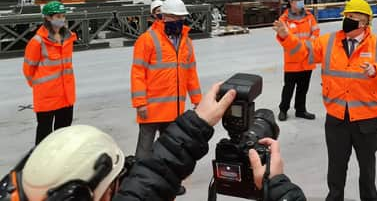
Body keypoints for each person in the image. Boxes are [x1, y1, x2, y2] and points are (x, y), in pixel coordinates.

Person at [1, 83, 306, 201]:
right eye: (117, 183)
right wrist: (275, 185)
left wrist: (197, 122)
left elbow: (147, 183)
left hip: (173, 109)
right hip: (153, 108)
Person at [274, 0, 377, 201]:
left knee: (367, 169)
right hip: (337, 118)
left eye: (353, 17)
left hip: (367, 120)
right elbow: (304, 53)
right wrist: (286, 36)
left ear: (365, 22)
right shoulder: (329, 41)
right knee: (336, 168)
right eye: (346, 16)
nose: (347, 20)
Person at [130, 0, 202, 194]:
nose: (179, 21)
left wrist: (198, 102)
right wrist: (140, 103)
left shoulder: (186, 42)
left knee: (170, 153)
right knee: (144, 152)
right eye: (174, 17)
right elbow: (137, 73)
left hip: (174, 110)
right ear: (164, 17)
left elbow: (191, 74)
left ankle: (169, 184)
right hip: (151, 109)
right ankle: (138, 187)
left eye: (181, 18)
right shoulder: (147, 40)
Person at [22, 0, 78, 145]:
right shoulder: (37, 42)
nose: (62, 19)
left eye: (63, 16)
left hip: (66, 95)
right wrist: (40, 86)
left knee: (63, 133)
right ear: (48, 18)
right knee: (44, 135)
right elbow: (28, 70)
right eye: (58, 16)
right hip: (47, 96)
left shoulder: (68, 38)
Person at [276, 0, 320, 121]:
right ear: (290, 2)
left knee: (303, 88)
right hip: (292, 61)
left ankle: (300, 110)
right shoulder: (284, 20)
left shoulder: (309, 17)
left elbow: (316, 33)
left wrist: (307, 46)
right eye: (297, 0)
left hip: (307, 60)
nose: (301, 2)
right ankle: (283, 109)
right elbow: (282, 39)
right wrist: (300, 45)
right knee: (288, 88)